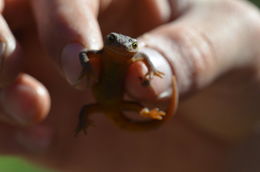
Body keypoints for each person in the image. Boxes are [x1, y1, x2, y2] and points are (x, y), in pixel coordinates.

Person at [0, 0, 260, 171]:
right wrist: (83, 62)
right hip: (105, 103)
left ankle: (149, 113)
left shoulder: (137, 57)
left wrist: (154, 72)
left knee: (109, 107)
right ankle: (97, 120)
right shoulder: (101, 53)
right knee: (87, 112)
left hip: (114, 103)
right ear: (108, 41)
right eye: (114, 41)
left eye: (131, 45)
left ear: (134, 48)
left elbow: (148, 58)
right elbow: (84, 54)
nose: (122, 47)